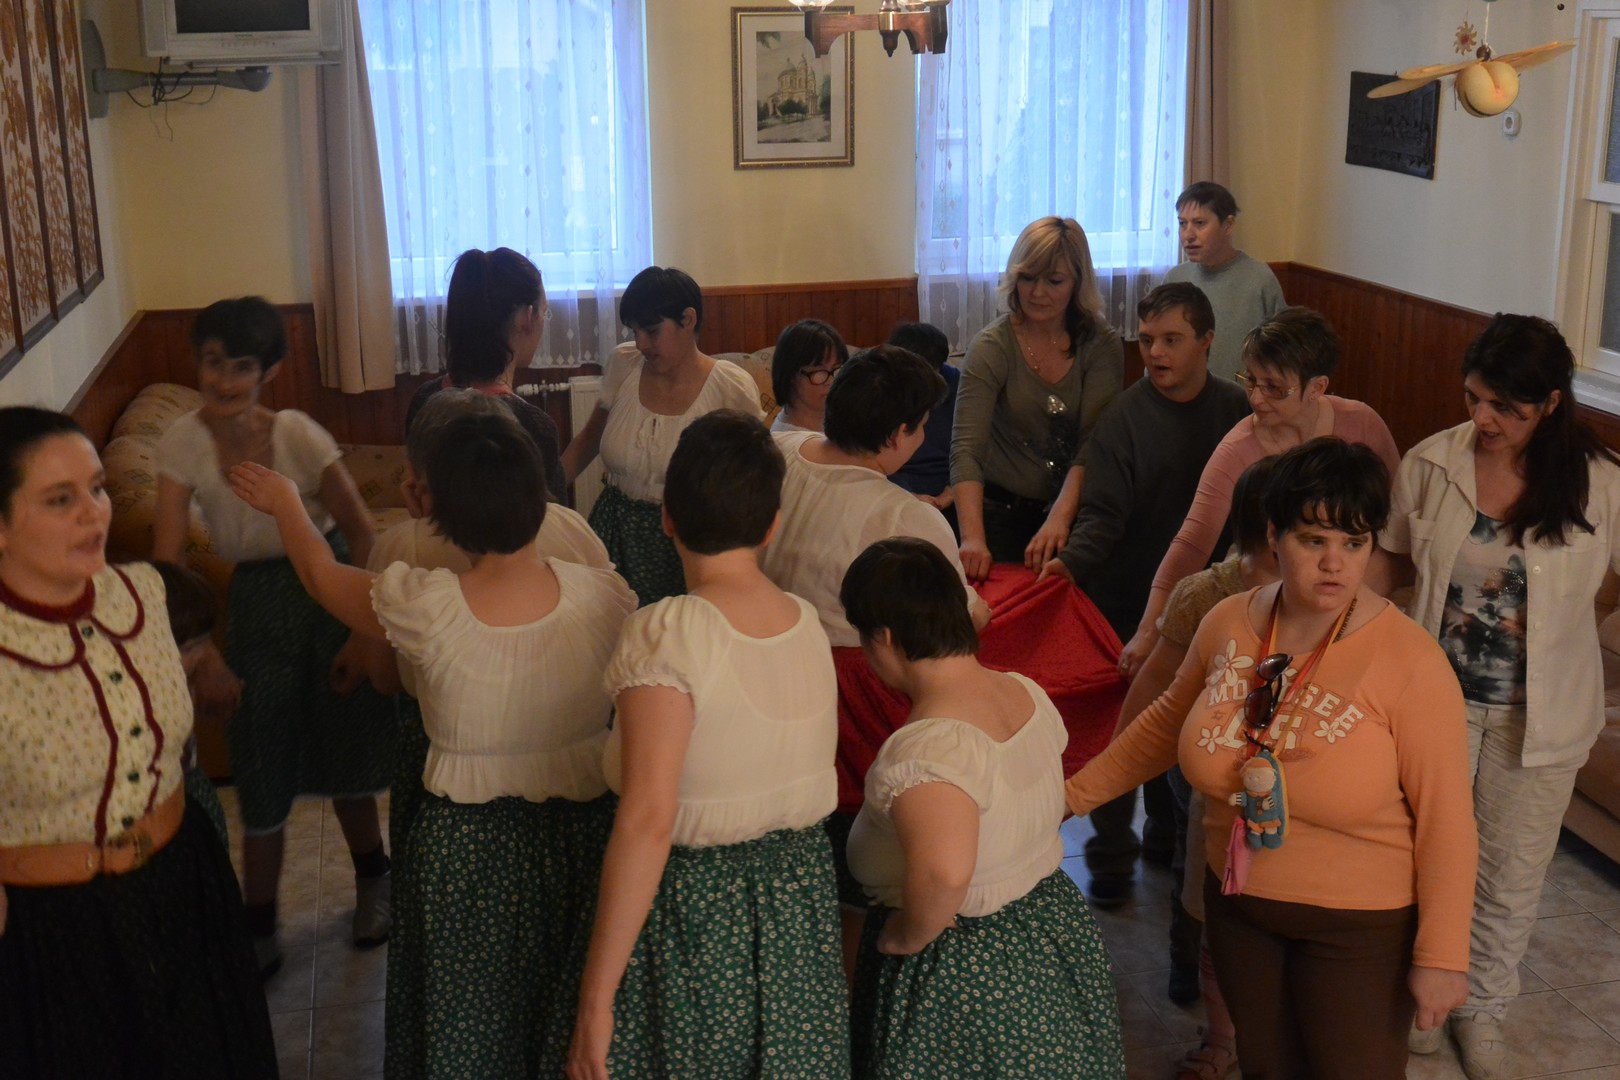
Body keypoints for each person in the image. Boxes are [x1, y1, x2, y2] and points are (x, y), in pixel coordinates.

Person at [229, 408, 637, 1080]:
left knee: (469, 1013)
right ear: (539, 497)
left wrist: (285, 503)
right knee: (560, 1001)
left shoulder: (426, 606)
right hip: (581, 838)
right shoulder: (607, 595)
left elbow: (321, 577)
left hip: (465, 851)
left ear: (438, 516)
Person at [1066, 437, 1478, 1080]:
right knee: (1266, 1068)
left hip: (1359, 925)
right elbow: (1162, 726)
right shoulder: (1227, 621)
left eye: (1355, 542)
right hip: (1240, 907)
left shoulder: (1412, 660)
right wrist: (1066, 799)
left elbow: (1448, 820)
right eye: (1314, 540)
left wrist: (1443, 955)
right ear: (1273, 536)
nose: (1335, 563)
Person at [566, 411, 848, 1080]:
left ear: (667, 517)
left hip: (697, 917)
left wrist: (594, 1003)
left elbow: (647, 820)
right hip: (800, 913)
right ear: (772, 525)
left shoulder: (670, 632)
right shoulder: (806, 621)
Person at [1377, 314, 1620, 1080]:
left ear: (1550, 404)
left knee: (1510, 874)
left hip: (1540, 718)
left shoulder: (1601, 481)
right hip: (1435, 705)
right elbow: (1388, 569)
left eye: (1505, 409)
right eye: (1474, 398)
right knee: (1424, 859)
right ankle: (1422, 1001)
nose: (1483, 419)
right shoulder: (1430, 462)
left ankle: (1481, 1010)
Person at [0, 407, 277, 1079]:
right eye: (60, 499)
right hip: (54, 934)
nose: (94, 514)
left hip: (186, 888)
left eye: (96, 488)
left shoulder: (146, 595)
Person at [151, 296, 396, 975]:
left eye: (242, 366)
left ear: (269, 373)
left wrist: (363, 634)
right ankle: (258, 926)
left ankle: (375, 882)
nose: (224, 380)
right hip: (256, 603)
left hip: (326, 584)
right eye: (212, 362)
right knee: (260, 756)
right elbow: (168, 562)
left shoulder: (298, 434)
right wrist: (201, 653)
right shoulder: (181, 443)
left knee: (344, 746)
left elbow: (364, 532)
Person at [841, 537, 1125, 1079]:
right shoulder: (1023, 692)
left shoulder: (931, 750)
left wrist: (906, 934)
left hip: (964, 964)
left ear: (885, 637)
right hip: (1045, 928)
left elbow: (945, 874)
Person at [1040, 282, 1252, 915]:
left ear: (1207, 341)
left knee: (1187, 726)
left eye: (1172, 340)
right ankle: (1110, 856)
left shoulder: (1239, 413)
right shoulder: (1124, 417)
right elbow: (1101, 517)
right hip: (1123, 598)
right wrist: (1067, 568)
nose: (1155, 352)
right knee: (1126, 730)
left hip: (1207, 606)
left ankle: (1166, 838)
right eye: (1148, 340)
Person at [1120, 306, 1401, 678]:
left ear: (1317, 388)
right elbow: (1192, 543)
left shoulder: (1361, 423)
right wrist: (1148, 631)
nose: (1255, 398)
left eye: (1274, 388)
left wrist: (1356, 594)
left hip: (1347, 587)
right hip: (1265, 594)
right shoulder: (1238, 448)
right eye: (1250, 380)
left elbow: (1394, 523)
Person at [1113, 456, 1279, 1080]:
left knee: (1269, 912)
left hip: (1287, 797)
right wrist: (1107, 775)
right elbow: (1151, 700)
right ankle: (1212, 1012)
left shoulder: (1338, 603)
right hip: (1207, 781)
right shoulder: (1205, 595)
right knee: (1202, 890)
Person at [561, 266, 765, 606]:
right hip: (612, 539)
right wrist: (540, 496)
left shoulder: (730, 386)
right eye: (635, 331)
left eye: (652, 331)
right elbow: (588, 440)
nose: (641, 343)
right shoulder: (624, 363)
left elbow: (752, 483)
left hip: (688, 549)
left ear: (688, 320)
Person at [950, 216, 1124, 581]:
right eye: (1028, 278)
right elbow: (967, 449)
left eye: (1054, 281)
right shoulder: (991, 346)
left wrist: (1060, 518)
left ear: (1078, 283)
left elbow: (1094, 442)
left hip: (1077, 514)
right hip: (999, 513)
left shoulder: (1101, 343)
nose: (1037, 292)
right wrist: (973, 539)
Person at [403, 246, 569, 502]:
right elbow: (553, 521)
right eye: (543, 311)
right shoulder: (533, 427)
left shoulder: (424, 401)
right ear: (527, 317)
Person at [150, 558, 237, 847]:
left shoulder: (181, 677)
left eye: (203, 643)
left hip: (194, 790)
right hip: (167, 806)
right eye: (189, 648)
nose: (201, 657)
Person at [1163, 182, 1286, 381]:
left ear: (1228, 225)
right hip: (1184, 391)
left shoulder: (1259, 279)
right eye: (1182, 224)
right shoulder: (1175, 278)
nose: (1188, 235)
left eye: (1199, 223)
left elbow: (1283, 350)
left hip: (1243, 394)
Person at [884, 321, 959, 519]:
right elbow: (871, 461)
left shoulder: (958, 385)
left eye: (934, 369)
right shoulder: (881, 389)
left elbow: (974, 449)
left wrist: (952, 490)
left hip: (952, 487)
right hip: (894, 488)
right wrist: (909, 496)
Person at [770, 318, 848, 434]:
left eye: (837, 369)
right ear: (791, 376)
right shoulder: (789, 437)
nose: (831, 381)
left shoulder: (840, 418)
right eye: (820, 371)